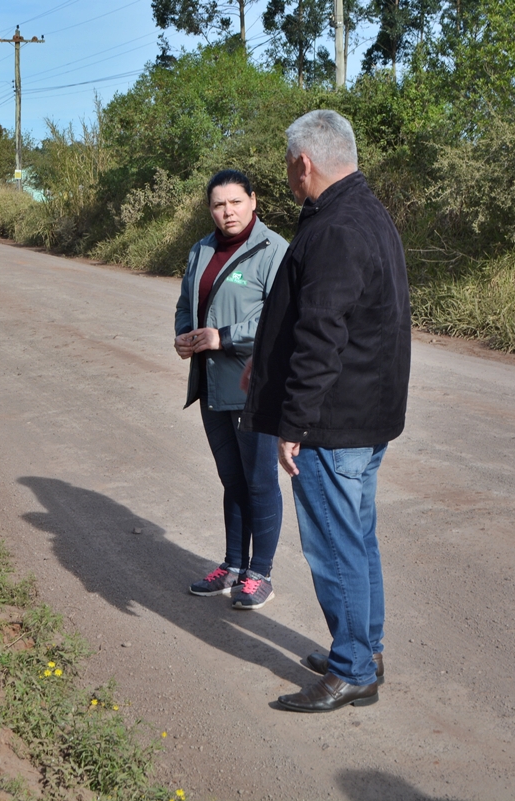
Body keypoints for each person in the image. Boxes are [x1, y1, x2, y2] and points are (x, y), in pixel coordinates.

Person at [240, 109, 411, 712]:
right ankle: (365, 647)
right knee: (356, 538)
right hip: (365, 415)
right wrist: (264, 359)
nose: (288, 176)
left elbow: (322, 334)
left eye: (289, 166)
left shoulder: (335, 227)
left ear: (303, 163)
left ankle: (352, 669)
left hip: (335, 423)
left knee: (335, 546)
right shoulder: (364, 211)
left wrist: (295, 424)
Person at [174, 169, 287, 610]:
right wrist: (185, 334)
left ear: (253, 201)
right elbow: (186, 303)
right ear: (210, 209)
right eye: (219, 205)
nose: (228, 212)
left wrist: (224, 335)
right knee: (232, 479)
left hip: (253, 387)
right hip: (211, 387)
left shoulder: (273, 250)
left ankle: (261, 574)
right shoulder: (201, 249)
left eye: (236, 202)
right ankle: (233, 565)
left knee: (260, 482)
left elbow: (282, 319)